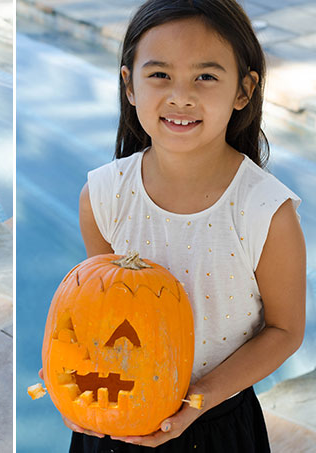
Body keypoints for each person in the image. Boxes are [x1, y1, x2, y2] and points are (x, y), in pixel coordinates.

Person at [74, 0, 306, 451]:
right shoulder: (103, 196)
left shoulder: (265, 211)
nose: (180, 96)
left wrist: (196, 400)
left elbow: (285, 331)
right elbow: (100, 307)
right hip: (116, 407)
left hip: (217, 424)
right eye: (159, 74)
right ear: (129, 85)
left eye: (205, 76)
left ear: (243, 91)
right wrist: (68, 366)